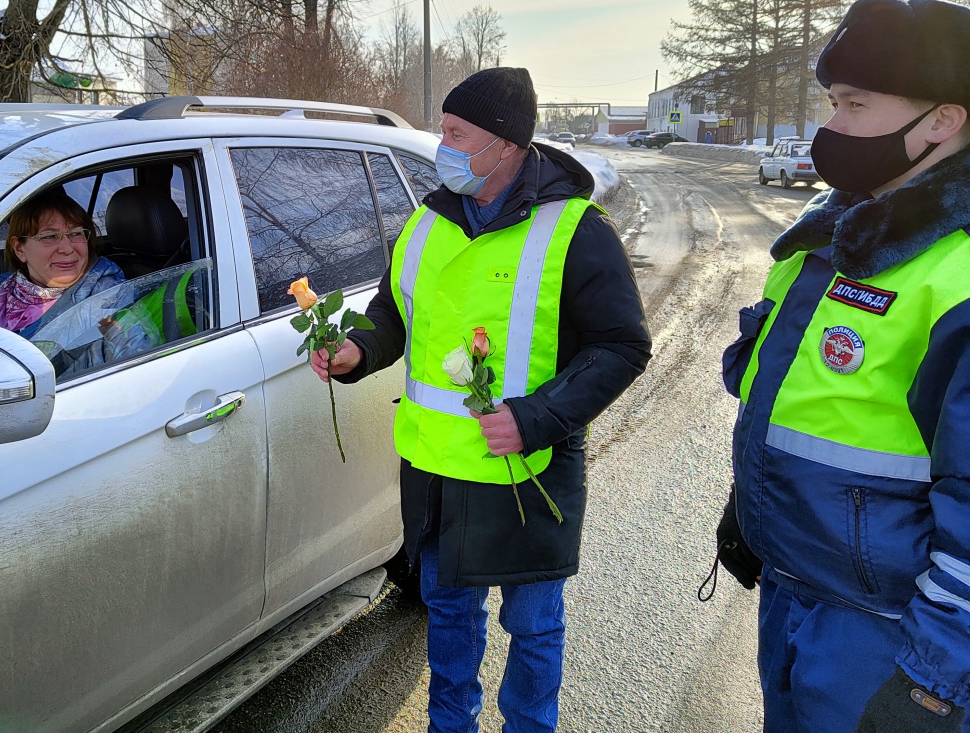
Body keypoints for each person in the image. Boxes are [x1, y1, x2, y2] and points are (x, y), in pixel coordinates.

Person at [311, 67, 651, 732]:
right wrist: (359, 350)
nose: (443, 146)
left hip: (526, 471)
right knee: (449, 614)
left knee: (533, 624)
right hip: (438, 471)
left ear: (506, 145)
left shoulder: (576, 230)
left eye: (457, 134)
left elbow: (621, 346)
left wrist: (533, 418)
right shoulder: (427, 222)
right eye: (443, 131)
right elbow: (393, 312)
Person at [714, 1, 970, 730]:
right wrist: (750, 510)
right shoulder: (829, 238)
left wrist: (932, 679)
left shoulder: (958, 272)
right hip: (795, 591)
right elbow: (797, 401)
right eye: (832, 102)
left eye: (856, 105)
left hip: (889, 631)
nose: (831, 126)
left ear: (942, 121)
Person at [0, 188, 154, 369]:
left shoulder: (109, 297)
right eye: (49, 236)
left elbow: (136, 373)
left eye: (76, 234)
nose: (67, 248)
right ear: (19, 249)